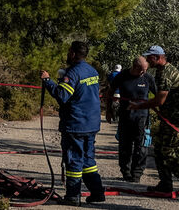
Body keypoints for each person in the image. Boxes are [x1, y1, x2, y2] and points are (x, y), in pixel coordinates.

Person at [41, 40, 106, 205]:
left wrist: (48, 81)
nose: (68, 54)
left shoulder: (73, 73)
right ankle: (97, 192)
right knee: (88, 160)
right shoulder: (92, 71)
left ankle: (72, 196)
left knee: (73, 159)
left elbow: (62, 96)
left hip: (76, 124)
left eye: (69, 51)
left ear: (73, 53)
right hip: (91, 123)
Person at [128, 45, 179, 193]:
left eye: (150, 57)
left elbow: (159, 100)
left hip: (177, 119)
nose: (147, 60)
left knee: (167, 151)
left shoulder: (165, 74)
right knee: (158, 149)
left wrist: (138, 106)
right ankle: (165, 184)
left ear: (158, 57)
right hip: (169, 117)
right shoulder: (162, 71)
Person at [105, 56, 153, 182]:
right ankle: (126, 172)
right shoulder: (122, 76)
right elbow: (110, 93)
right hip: (125, 116)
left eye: (145, 70)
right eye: (142, 70)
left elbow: (160, 95)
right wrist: (108, 110)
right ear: (135, 67)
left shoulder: (147, 78)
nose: (144, 72)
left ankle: (137, 173)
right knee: (124, 145)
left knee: (141, 146)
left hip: (142, 117)